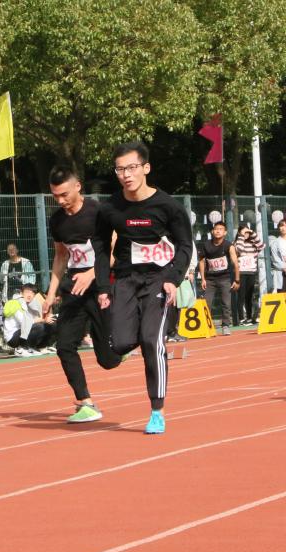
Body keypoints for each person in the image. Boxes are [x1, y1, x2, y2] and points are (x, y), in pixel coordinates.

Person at [94, 141, 193, 435]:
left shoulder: (168, 207)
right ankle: (139, 333)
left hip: (159, 279)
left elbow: (185, 246)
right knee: (120, 343)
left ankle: (157, 411)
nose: (126, 174)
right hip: (126, 279)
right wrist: (103, 286)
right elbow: (100, 248)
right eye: (120, 169)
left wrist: (173, 278)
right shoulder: (110, 208)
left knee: (152, 341)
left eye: (132, 167)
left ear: (146, 168)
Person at [42, 166, 123, 423]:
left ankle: (124, 339)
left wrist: (92, 273)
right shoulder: (57, 220)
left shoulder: (99, 212)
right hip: (74, 289)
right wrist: (50, 294)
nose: (60, 200)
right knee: (64, 345)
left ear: (78, 187)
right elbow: (61, 257)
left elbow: (116, 251)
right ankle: (85, 402)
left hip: (101, 287)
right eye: (55, 196)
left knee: (108, 360)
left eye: (64, 194)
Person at [198, 221, 239, 335]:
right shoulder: (206, 245)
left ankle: (225, 325)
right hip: (210, 279)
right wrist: (203, 279)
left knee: (226, 303)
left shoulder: (229, 246)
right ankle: (206, 325)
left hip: (225, 278)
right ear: (212, 231)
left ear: (225, 232)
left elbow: (235, 263)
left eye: (220, 229)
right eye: (216, 229)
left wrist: (237, 280)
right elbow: (201, 261)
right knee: (206, 303)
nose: (218, 231)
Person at [2, 283, 57, 356]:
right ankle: (21, 349)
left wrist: (48, 319)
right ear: (21, 293)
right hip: (12, 337)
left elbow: (37, 319)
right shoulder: (15, 303)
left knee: (52, 324)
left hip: (22, 333)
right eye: (27, 292)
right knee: (39, 326)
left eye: (32, 293)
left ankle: (41, 347)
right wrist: (43, 320)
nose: (29, 295)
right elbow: (24, 322)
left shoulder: (32, 304)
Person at [232, 222, 264, 325]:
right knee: (241, 296)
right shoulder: (236, 242)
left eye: (247, 232)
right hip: (241, 272)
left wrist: (252, 232)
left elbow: (261, 246)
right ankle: (242, 318)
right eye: (243, 232)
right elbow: (240, 249)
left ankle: (249, 317)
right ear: (239, 233)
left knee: (249, 296)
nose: (246, 234)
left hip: (251, 272)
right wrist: (241, 236)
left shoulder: (253, 243)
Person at [270, 218, 286, 293]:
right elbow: (275, 259)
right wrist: (284, 267)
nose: (283, 228)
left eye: (285, 226)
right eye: (281, 226)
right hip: (282, 273)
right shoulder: (275, 243)